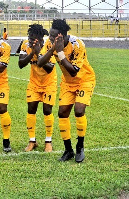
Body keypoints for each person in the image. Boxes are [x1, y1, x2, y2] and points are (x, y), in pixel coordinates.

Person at [38, 19, 96, 163]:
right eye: (50, 36)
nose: (50, 38)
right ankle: (68, 150)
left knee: (79, 110)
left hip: (84, 80)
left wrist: (60, 52)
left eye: (53, 36)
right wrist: (52, 49)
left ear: (62, 36)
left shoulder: (77, 44)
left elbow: (74, 71)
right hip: (67, 83)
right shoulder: (50, 43)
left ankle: (80, 147)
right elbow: (40, 63)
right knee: (62, 112)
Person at [18, 24, 57, 152]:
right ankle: (32, 141)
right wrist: (32, 54)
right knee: (31, 109)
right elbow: (21, 64)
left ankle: (48, 141)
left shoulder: (49, 46)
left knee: (47, 110)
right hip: (34, 83)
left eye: (33, 39)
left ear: (40, 39)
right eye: (29, 38)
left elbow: (49, 68)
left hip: (49, 83)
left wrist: (39, 52)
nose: (30, 41)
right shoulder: (25, 45)